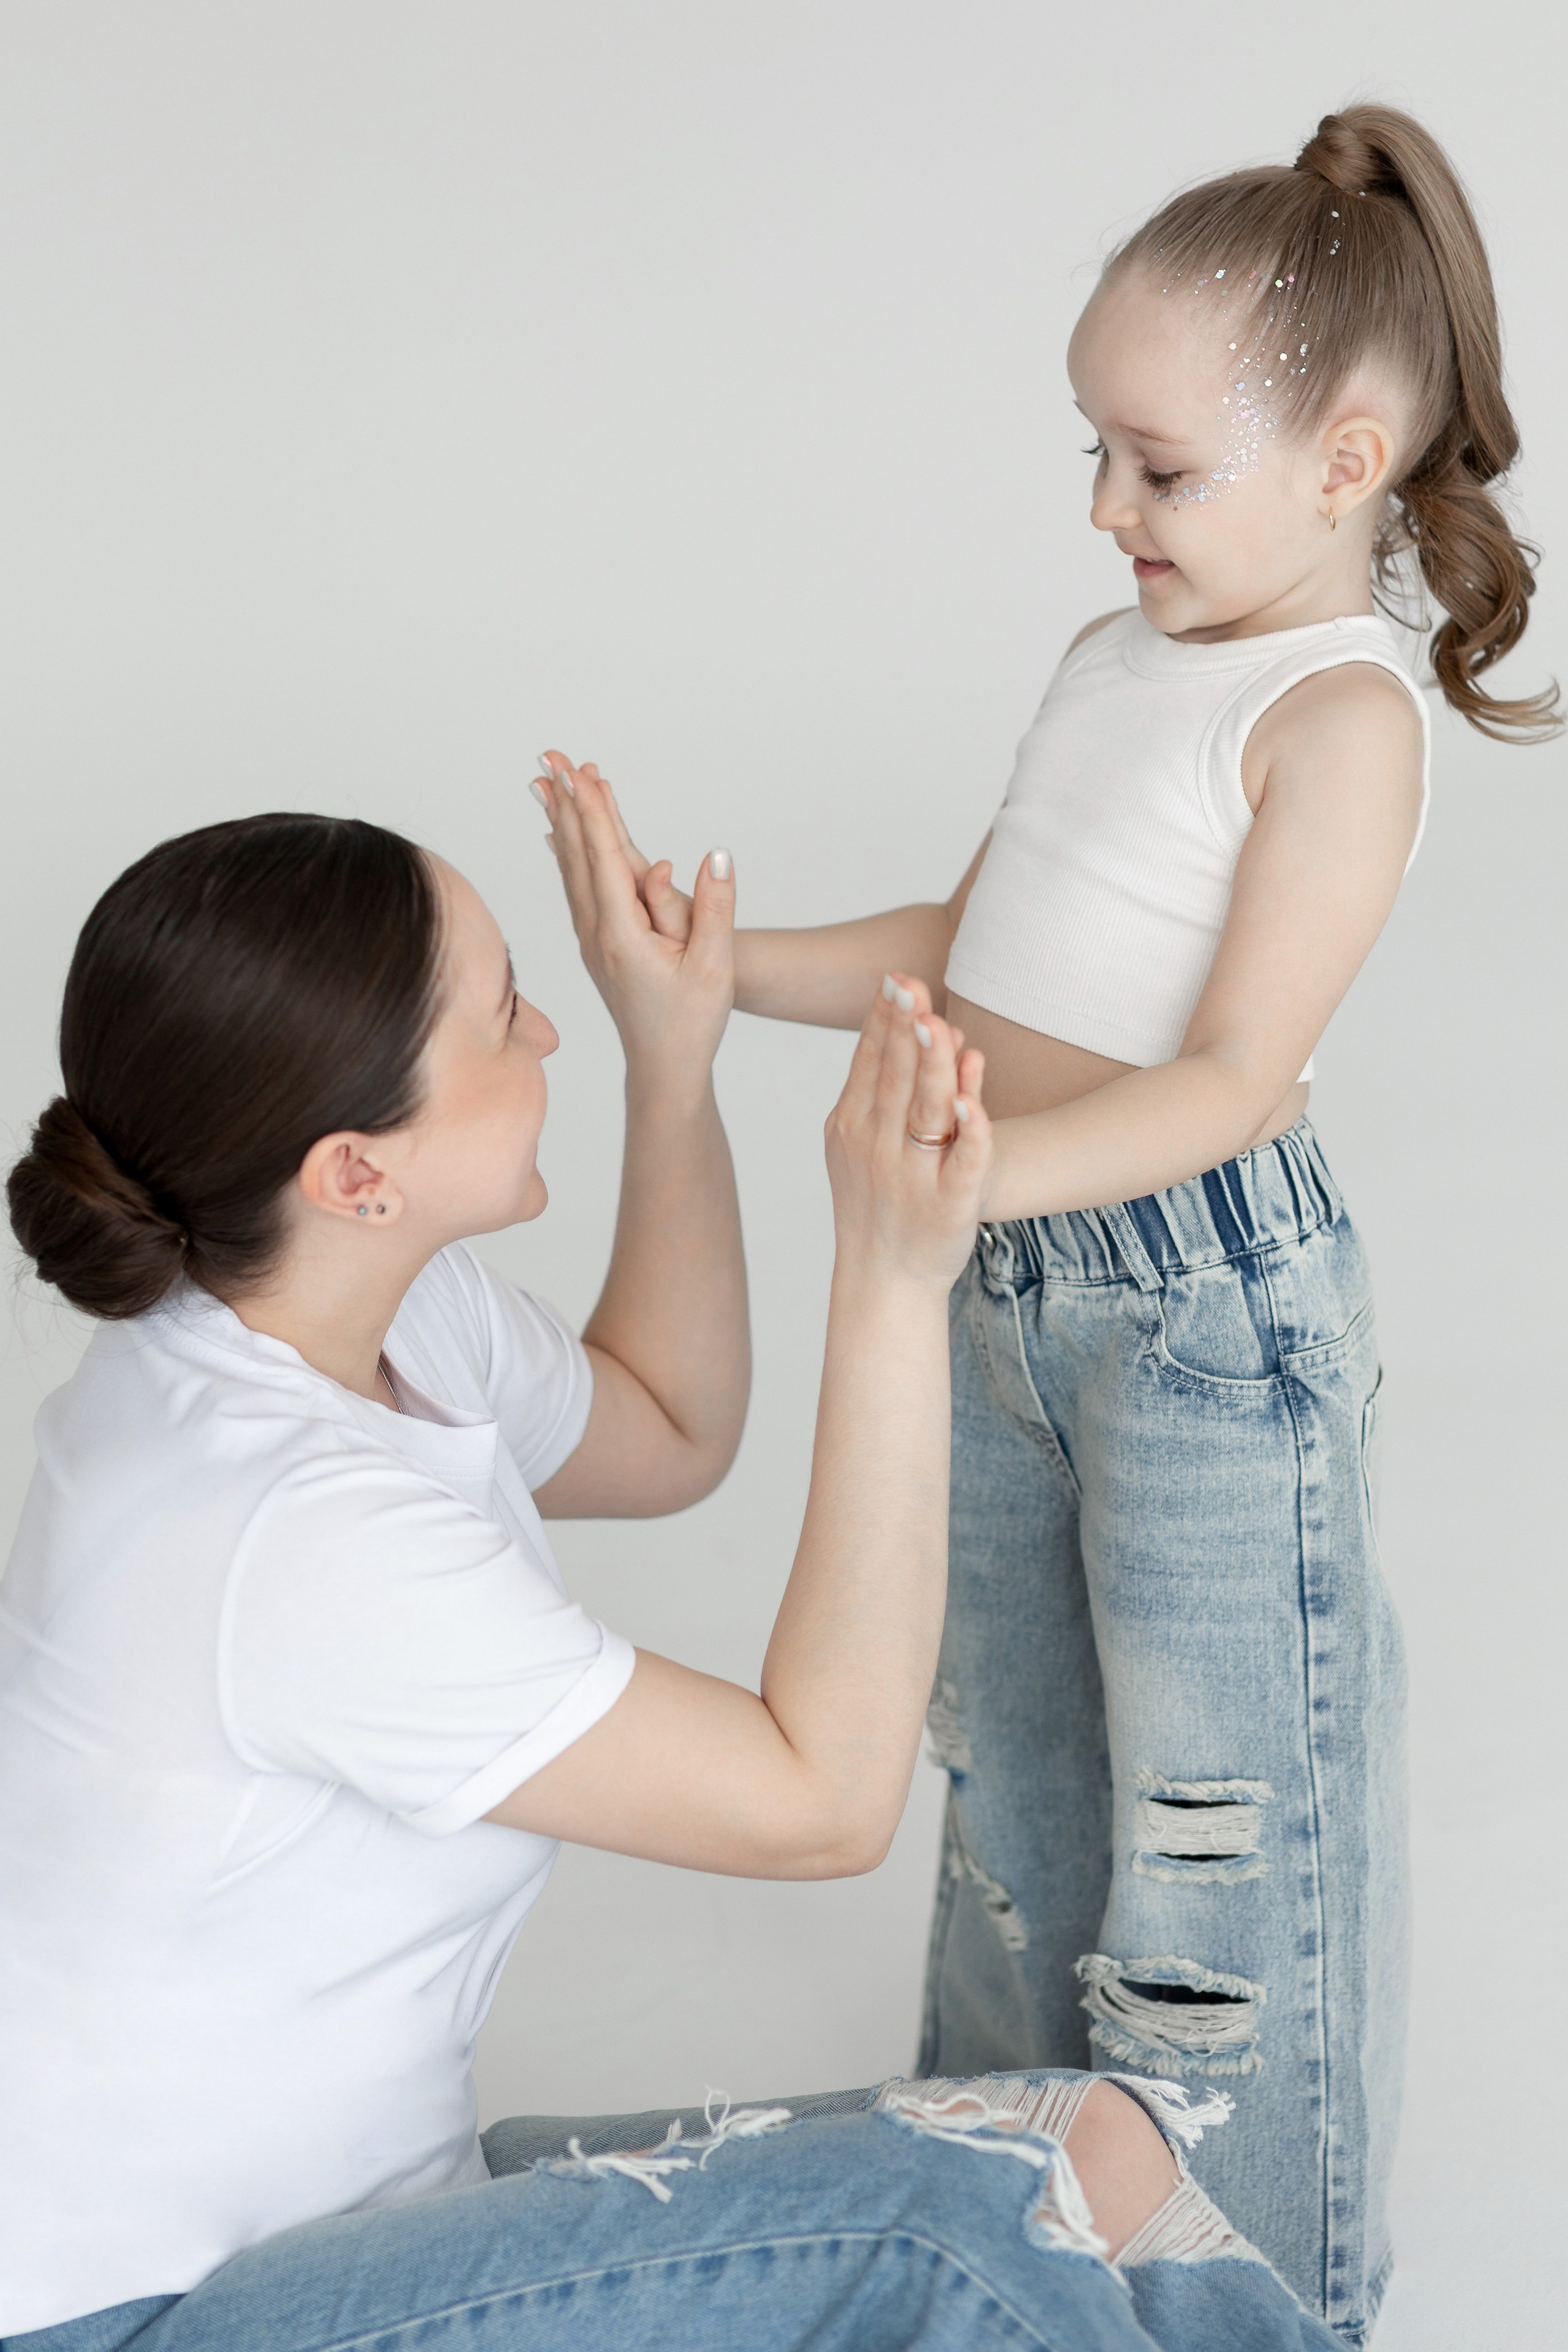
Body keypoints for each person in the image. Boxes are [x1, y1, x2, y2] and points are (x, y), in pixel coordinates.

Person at [535, 105, 1558, 2342]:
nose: (1107, 510)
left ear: (1348, 458)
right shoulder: (1124, 660)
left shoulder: (1337, 721)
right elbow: (989, 951)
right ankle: (1013, 2240)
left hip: (1202, 1319)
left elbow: (1223, 1082)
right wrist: (727, 970)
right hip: (996, 1283)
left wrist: (965, 1174)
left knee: (1218, 1832)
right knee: (1008, 1773)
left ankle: (1263, 2291)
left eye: (1158, 467)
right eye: (1095, 453)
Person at [0, 798, 1343, 2351]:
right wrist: (891, 1280)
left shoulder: (336, 1313)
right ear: (358, 1171)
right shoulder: (297, 1533)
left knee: (1078, 2147)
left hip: (356, 2238)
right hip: (151, 2317)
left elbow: (666, 1424)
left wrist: (674, 1056)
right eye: (505, 1016)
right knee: (959, 2230)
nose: (547, 1028)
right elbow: (821, 1800)